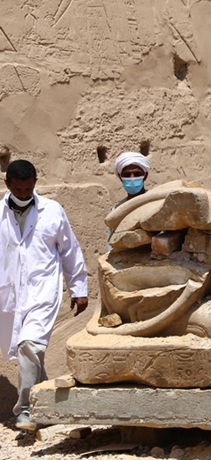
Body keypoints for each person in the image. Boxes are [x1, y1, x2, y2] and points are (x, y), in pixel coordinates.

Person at [0, 160, 89, 431]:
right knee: (30, 353)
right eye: (19, 189)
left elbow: (69, 250)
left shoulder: (52, 211)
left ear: (35, 184)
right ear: (7, 185)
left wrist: (78, 288)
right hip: (9, 294)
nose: (24, 194)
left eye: (29, 189)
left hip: (43, 290)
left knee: (30, 345)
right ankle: (47, 404)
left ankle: (26, 410)